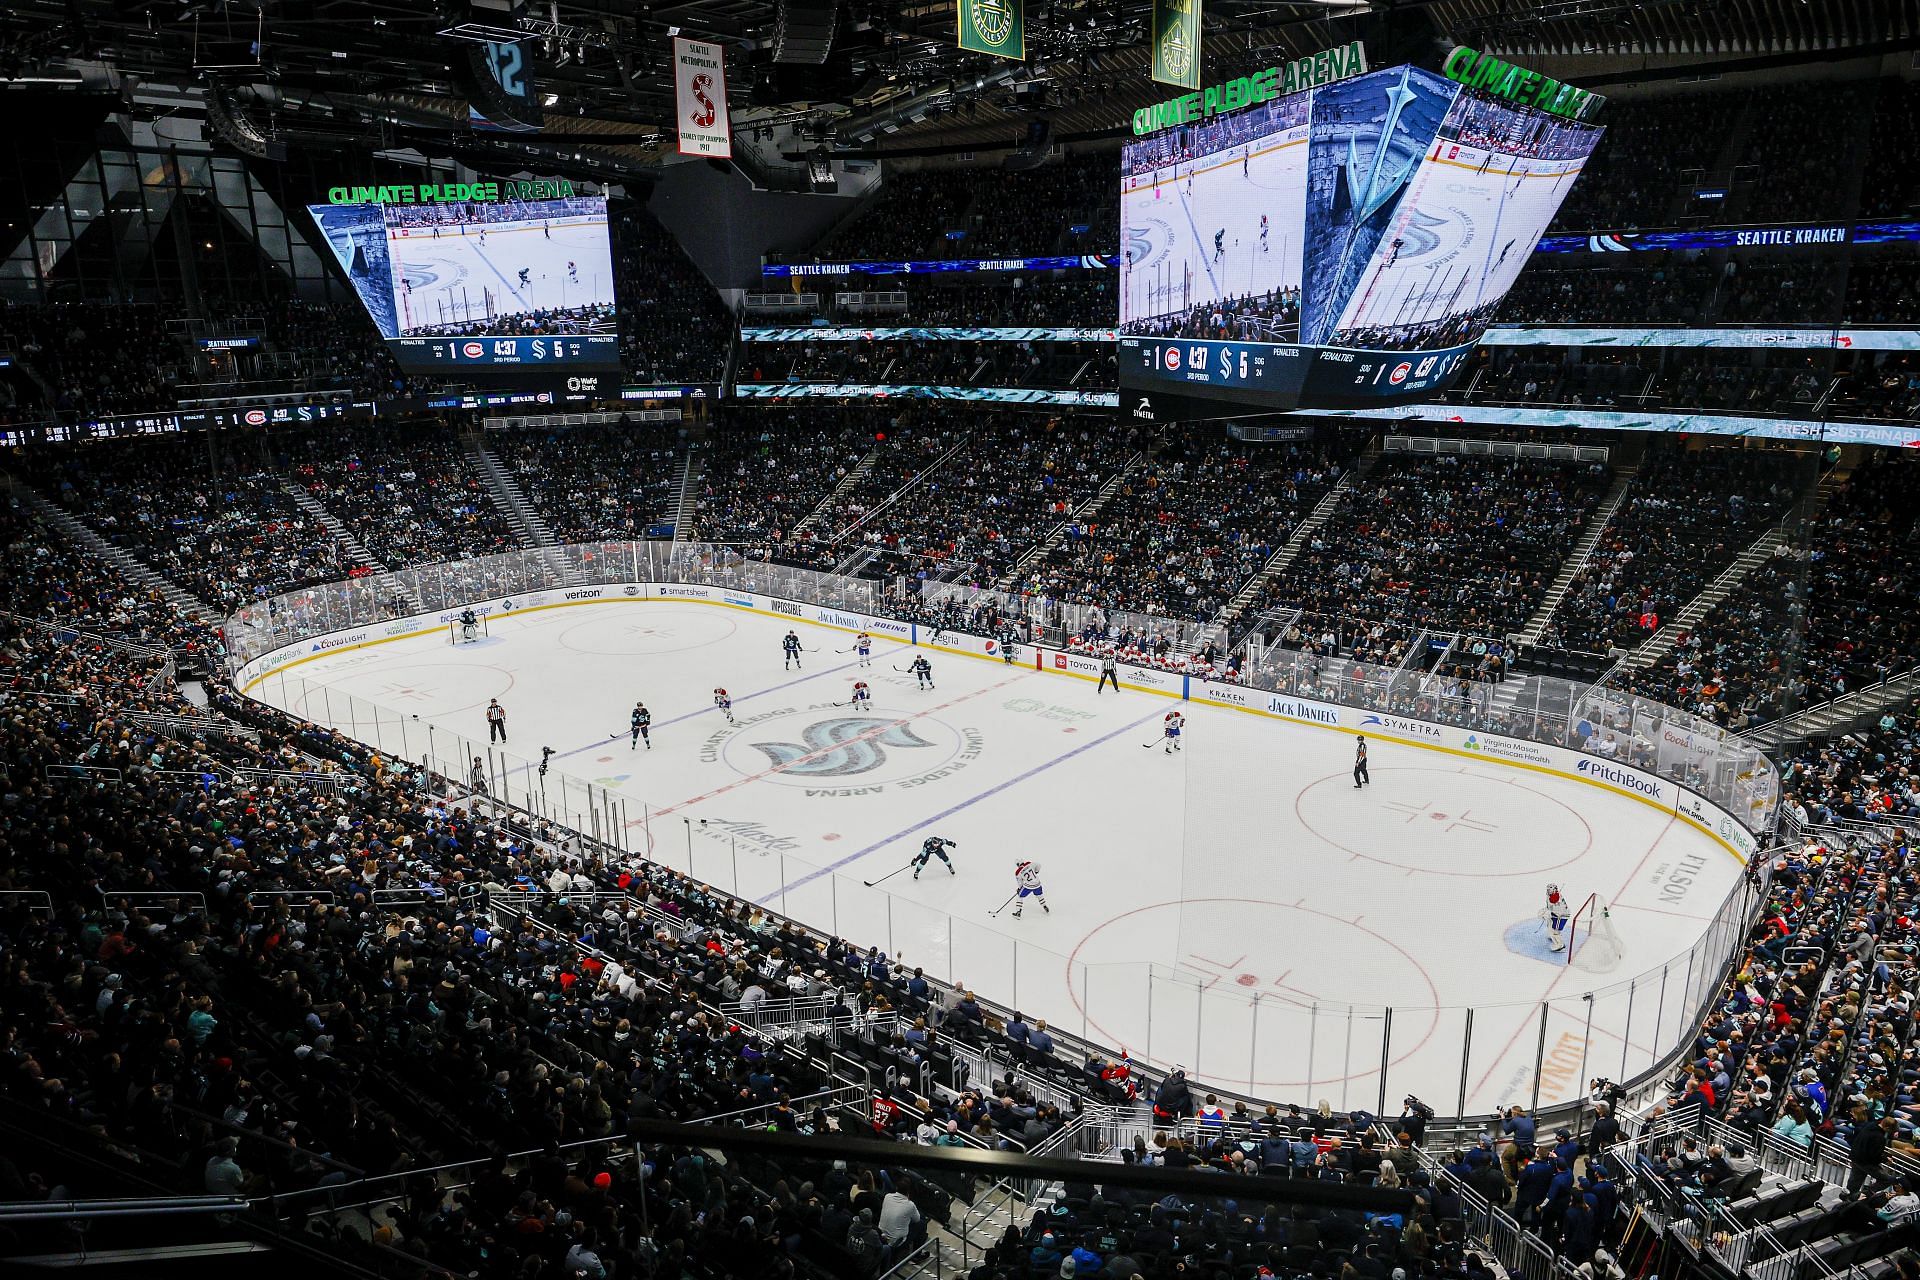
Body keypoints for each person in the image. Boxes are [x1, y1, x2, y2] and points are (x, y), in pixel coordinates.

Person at [1544, 884, 1571, 953]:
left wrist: (1549, 913)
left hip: (1561, 916)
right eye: (1548, 889)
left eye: (1550, 890)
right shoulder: (1552, 895)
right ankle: (1554, 937)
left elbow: (1557, 910)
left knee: (1555, 930)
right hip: (1557, 914)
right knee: (1550, 924)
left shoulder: (1555, 898)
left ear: (1554, 890)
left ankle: (1560, 946)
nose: (1548, 891)